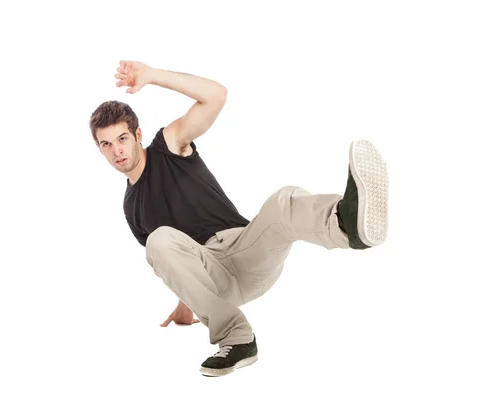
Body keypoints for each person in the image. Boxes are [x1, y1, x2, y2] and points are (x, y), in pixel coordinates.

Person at [89, 60, 389, 377]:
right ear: (99, 149)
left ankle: (348, 225)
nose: (117, 151)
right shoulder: (130, 207)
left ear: (137, 134)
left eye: (121, 139)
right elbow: (169, 258)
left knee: (283, 200)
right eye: (106, 144)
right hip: (212, 276)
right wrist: (184, 304)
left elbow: (215, 95)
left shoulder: (169, 145)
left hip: (247, 249)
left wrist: (151, 76)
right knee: (158, 241)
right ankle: (237, 340)